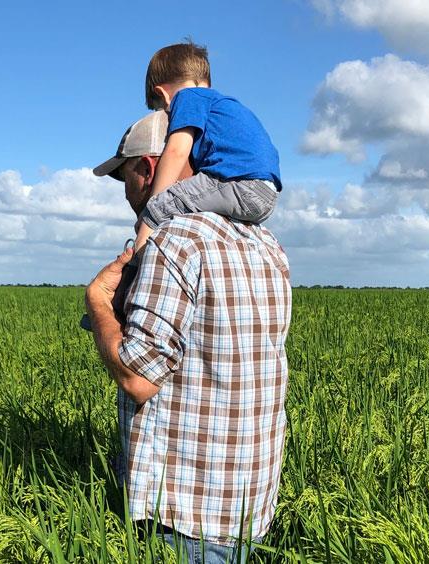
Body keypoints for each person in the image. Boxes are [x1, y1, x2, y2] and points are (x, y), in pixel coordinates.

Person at [86, 110, 292, 563]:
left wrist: (99, 302)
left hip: (185, 518)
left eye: (124, 178)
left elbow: (139, 378)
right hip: (248, 504)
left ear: (146, 168)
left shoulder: (174, 241)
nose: (126, 193)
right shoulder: (266, 243)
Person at [129, 41, 282, 254]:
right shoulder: (226, 105)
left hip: (240, 184)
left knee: (161, 206)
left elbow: (176, 151)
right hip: (267, 193)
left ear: (162, 94)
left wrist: (152, 206)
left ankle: (136, 262)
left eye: (163, 110)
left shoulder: (187, 97)